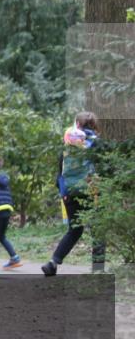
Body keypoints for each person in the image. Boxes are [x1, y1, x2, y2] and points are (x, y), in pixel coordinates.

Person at [42, 112, 103, 276]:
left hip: (69, 192)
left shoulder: (67, 144)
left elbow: (60, 172)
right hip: (92, 191)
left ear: (77, 124)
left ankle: (52, 263)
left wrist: (63, 192)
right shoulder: (96, 143)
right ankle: (98, 269)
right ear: (94, 125)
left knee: (74, 230)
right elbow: (104, 167)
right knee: (99, 229)